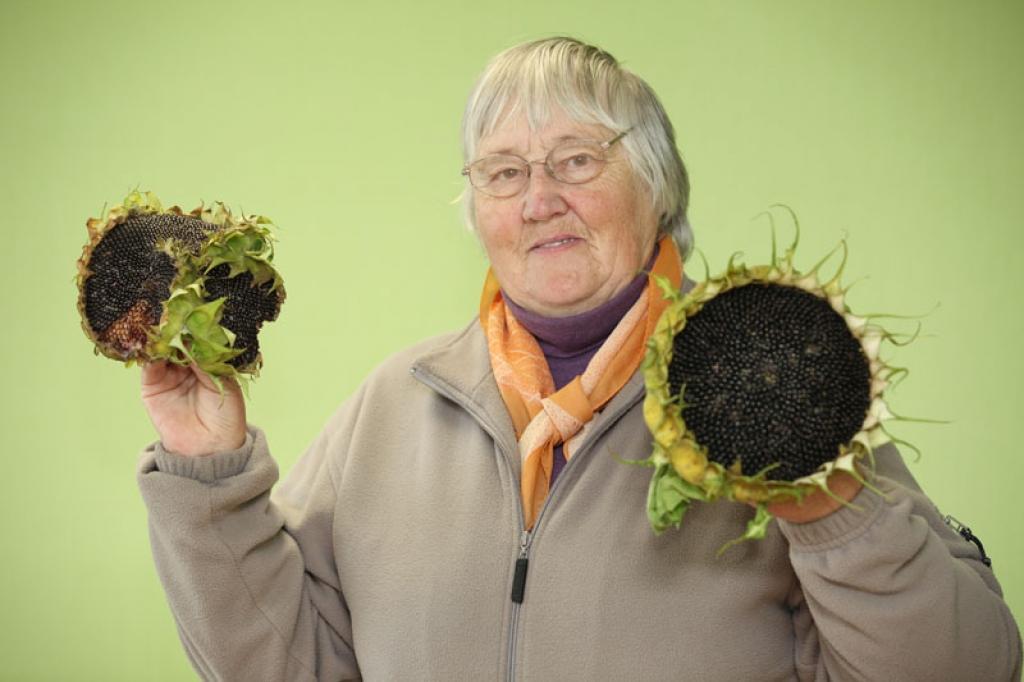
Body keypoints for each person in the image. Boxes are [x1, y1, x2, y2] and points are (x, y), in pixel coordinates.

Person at [137, 37, 1022, 681]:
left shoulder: (768, 388)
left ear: (657, 188)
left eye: (576, 160)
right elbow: (286, 667)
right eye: (503, 172)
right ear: (476, 209)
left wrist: (828, 506)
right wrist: (207, 471)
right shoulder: (393, 404)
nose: (539, 201)